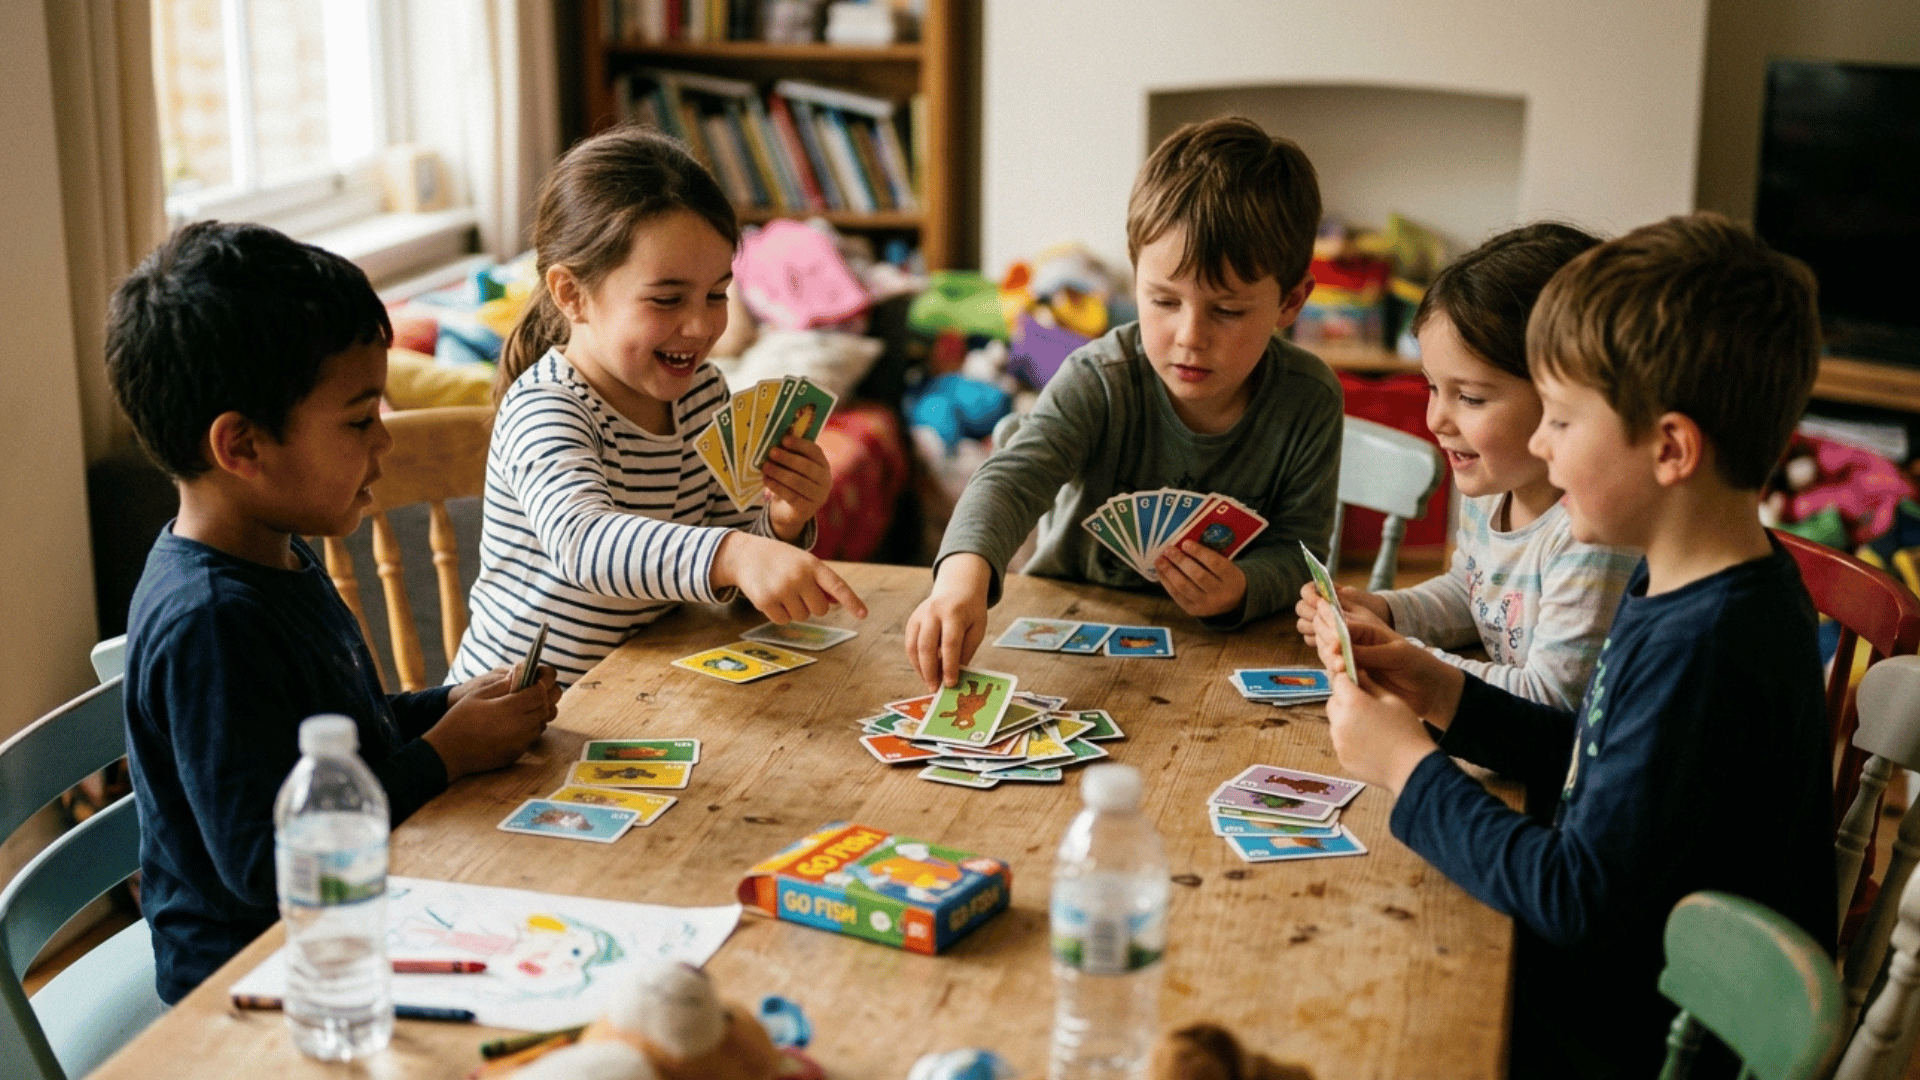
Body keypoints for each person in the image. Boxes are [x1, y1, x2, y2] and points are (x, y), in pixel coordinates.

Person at [1311, 212, 1833, 1077]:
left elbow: (1575, 897)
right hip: (1613, 976)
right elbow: (1597, 757)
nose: (1542, 446)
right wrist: (1439, 693)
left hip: (1633, 1034)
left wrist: (1409, 768)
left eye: (1560, 419)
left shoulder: (1708, 650)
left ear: (1670, 448)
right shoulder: (1690, 574)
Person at [107, 221, 562, 1004]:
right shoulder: (210, 623)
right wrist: (445, 754)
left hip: (347, 921)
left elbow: (334, 734)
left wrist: (444, 708)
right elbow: (265, 865)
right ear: (241, 447)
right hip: (258, 978)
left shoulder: (272, 547)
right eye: (358, 419)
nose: (384, 441)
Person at [907, 117, 1341, 689]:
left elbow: (1301, 555)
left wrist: (1241, 587)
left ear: (1291, 302)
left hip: (1227, 652)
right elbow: (1011, 479)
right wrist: (959, 582)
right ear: (1134, 279)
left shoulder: (1309, 400)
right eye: (1163, 300)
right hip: (1073, 630)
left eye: (1228, 311)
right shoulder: (1100, 377)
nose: (1189, 335)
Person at [448, 126, 865, 689]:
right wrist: (736, 553)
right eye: (667, 299)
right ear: (571, 295)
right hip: (507, 718)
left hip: (635, 699)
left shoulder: (703, 394)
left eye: (717, 295)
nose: (701, 326)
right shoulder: (545, 407)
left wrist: (782, 524)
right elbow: (584, 543)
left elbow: (730, 566)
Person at [1296, 224, 1639, 709]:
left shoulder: (1595, 536)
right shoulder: (1491, 484)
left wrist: (1402, 657)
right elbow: (1471, 592)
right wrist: (1387, 611)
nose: (1435, 419)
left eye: (1471, 397)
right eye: (1433, 387)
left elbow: (1548, 701)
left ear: (1567, 395)